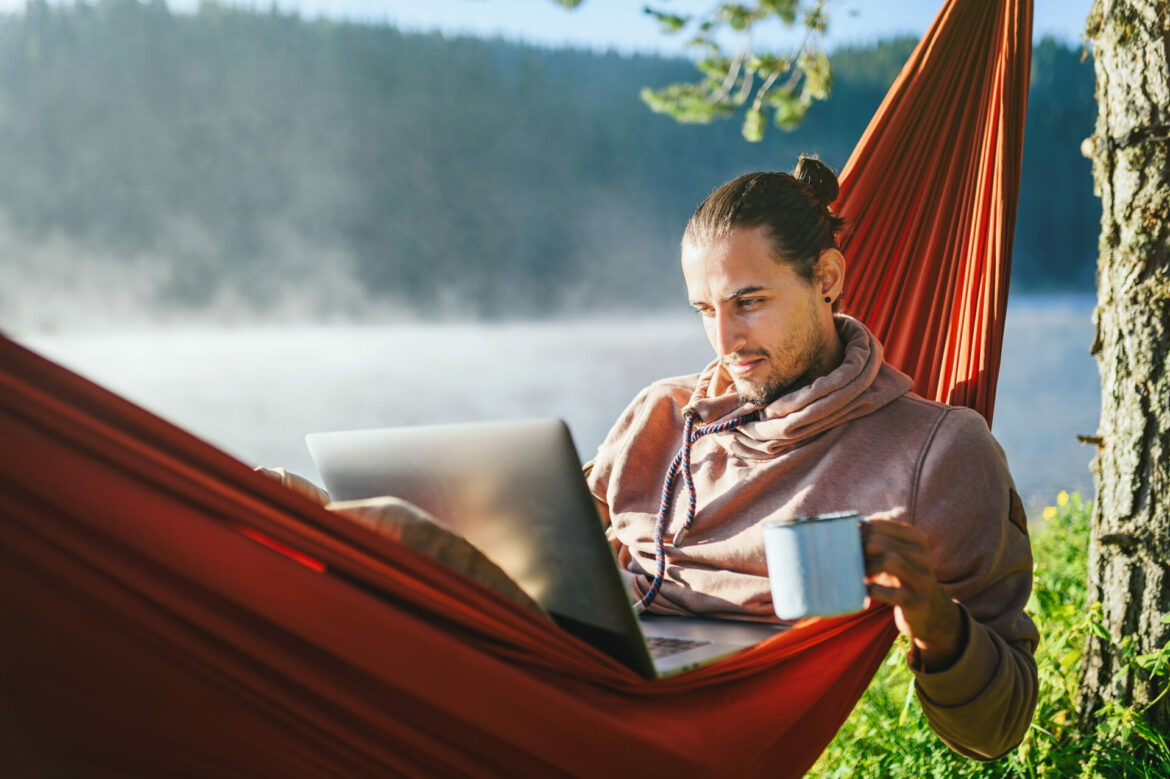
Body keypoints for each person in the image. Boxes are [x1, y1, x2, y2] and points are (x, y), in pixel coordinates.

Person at [263, 156, 1037, 762]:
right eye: (705, 309)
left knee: (393, 530)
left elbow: (998, 726)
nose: (726, 340)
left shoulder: (932, 450)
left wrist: (937, 623)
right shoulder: (665, 410)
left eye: (749, 301)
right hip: (570, 656)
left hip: (691, 714)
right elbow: (549, 536)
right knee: (296, 509)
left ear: (826, 279)